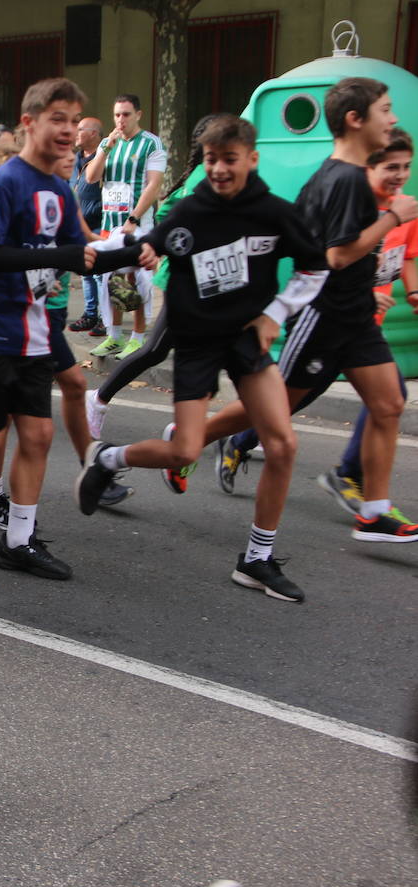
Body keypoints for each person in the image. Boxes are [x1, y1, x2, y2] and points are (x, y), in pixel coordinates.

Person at [75, 115, 329, 602]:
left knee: (283, 444)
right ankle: (108, 459)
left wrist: (275, 313)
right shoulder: (192, 210)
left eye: (229, 160)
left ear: (251, 160)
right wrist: (99, 253)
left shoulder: (274, 213)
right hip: (196, 341)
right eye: (211, 160)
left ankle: (257, 559)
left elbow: (314, 269)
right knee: (184, 451)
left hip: (246, 339)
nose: (219, 169)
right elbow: (140, 245)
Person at [0, 78, 149, 580]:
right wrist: (61, 255)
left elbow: (81, 256)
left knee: (38, 435)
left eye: (74, 120)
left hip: (37, 330)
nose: (68, 130)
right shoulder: (8, 181)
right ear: (29, 124)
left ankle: (16, 540)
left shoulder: (59, 190)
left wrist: (142, 249)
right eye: (57, 119)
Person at [196, 77, 418, 543]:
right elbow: (337, 255)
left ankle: (374, 512)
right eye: (385, 109)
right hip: (321, 316)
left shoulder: (346, 175)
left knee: (390, 401)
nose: (393, 118)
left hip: (355, 316)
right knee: (273, 411)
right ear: (356, 120)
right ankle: (188, 441)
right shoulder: (346, 180)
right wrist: (393, 218)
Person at [85, 113, 224, 440]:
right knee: (157, 351)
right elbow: (168, 216)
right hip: (187, 286)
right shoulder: (203, 179)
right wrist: (157, 246)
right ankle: (101, 400)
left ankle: (231, 429)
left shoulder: (231, 176)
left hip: (216, 287)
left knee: (219, 355)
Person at [85, 94, 166, 360]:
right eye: (117, 114)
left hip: (136, 224)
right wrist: (105, 148)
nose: (121, 120)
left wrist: (133, 219)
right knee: (111, 279)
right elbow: (91, 177)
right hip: (110, 224)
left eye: (126, 114)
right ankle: (114, 336)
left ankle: (138, 337)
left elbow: (154, 185)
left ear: (138, 115)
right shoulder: (109, 143)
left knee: (137, 279)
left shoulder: (151, 143)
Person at [68, 117, 106, 332]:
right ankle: (90, 314)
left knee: (100, 272)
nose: (75, 133)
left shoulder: (105, 157)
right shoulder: (74, 159)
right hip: (80, 223)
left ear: (93, 133)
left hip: (99, 223)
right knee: (86, 272)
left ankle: (104, 317)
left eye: (80, 129)